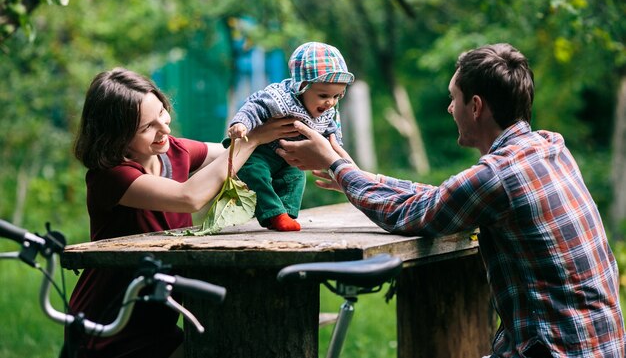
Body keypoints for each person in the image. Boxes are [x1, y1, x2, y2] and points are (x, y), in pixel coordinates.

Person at [276, 43, 626, 358]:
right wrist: (357, 176)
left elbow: (409, 214)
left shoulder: (497, 176)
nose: (448, 108)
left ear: (475, 106)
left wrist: (335, 165)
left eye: (453, 98)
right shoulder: (550, 147)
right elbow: (442, 197)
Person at [64, 68, 297, 358]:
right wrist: (253, 140)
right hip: (108, 324)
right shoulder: (111, 177)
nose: (165, 128)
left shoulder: (174, 151)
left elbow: (233, 156)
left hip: (160, 318)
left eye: (162, 112)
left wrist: (290, 146)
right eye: (147, 127)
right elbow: (190, 197)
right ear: (115, 135)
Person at [226, 41, 354, 232]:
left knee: (296, 178)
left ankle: (286, 214)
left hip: (289, 160)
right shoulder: (280, 98)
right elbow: (254, 106)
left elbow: (334, 140)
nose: (330, 102)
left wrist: (340, 166)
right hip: (260, 152)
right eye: (323, 95)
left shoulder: (329, 112)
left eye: (337, 96)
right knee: (254, 173)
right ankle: (274, 213)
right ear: (302, 86)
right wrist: (241, 124)